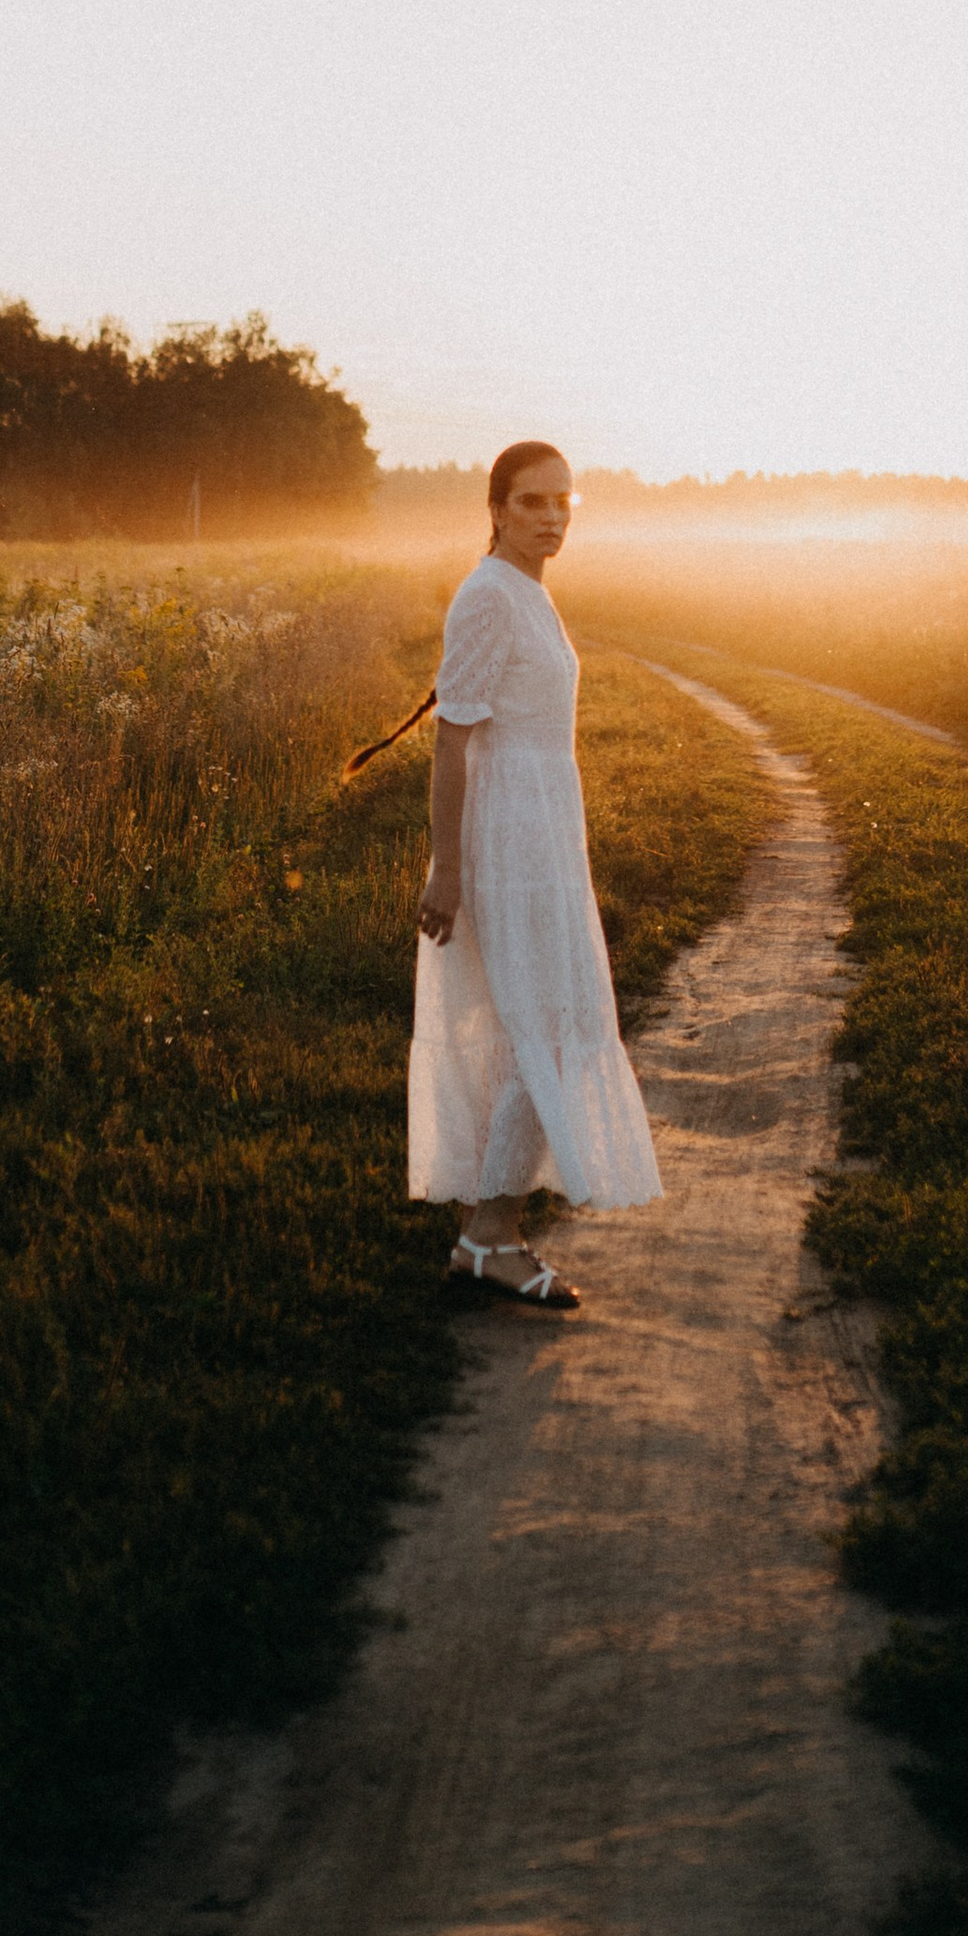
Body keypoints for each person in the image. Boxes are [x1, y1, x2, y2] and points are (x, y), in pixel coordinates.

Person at [410, 442, 661, 1307]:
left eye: (563, 501)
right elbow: (450, 739)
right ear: (496, 508)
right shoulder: (486, 597)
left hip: (546, 827)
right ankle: (489, 1236)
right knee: (540, 1024)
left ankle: (490, 1233)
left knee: (543, 1021)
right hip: (507, 836)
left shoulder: (528, 592)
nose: (552, 517)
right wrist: (446, 864)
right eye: (532, 502)